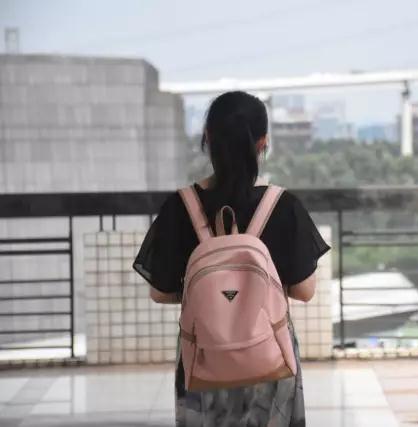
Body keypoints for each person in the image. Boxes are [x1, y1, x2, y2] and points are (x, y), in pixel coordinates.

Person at [133, 91, 330, 427]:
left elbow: (160, 292)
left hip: (204, 359)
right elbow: (305, 290)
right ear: (263, 143)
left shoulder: (180, 207)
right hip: (269, 358)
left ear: (208, 138)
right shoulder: (283, 206)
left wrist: (213, 297)